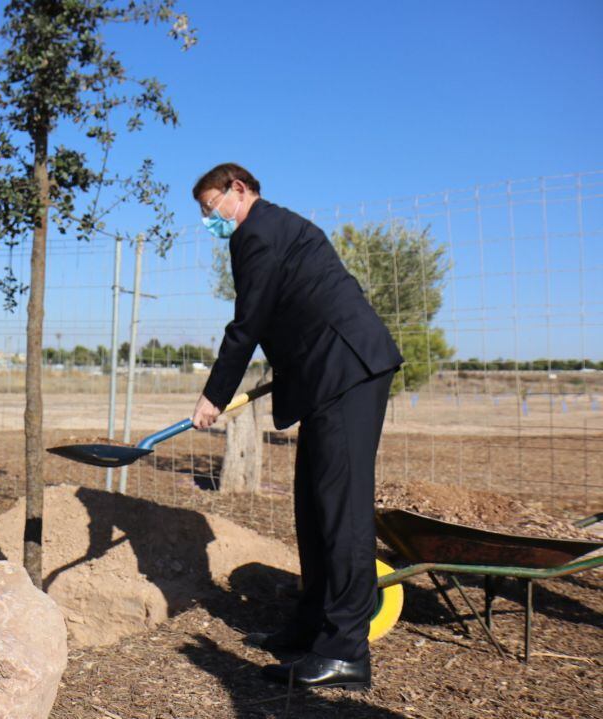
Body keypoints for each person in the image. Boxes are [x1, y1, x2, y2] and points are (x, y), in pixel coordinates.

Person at [190, 164, 403, 690]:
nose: (208, 220)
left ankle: (346, 649)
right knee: (313, 508)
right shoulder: (274, 229)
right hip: (329, 375)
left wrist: (214, 395)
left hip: (348, 371)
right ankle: (312, 628)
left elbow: (249, 321)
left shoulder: (257, 233)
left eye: (211, 206)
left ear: (239, 190)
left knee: (344, 512)